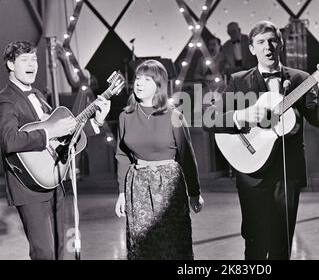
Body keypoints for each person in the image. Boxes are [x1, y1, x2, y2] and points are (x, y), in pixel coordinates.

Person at [205, 21, 319, 259]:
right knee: (254, 241)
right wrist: (241, 115)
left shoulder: (300, 79)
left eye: (272, 41)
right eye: (261, 42)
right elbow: (209, 120)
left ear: (281, 44)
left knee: (281, 243)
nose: (268, 47)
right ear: (251, 49)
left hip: (287, 173)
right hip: (251, 171)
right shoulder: (238, 80)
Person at [0, 40, 111, 260]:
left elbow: (64, 135)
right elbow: (9, 141)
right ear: (11, 65)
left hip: (54, 181)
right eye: (25, 59)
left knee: (61, 249)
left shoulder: (39, 96)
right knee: (44, 252)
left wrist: (95, 123)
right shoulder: (6, 100)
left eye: (34, 59)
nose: (32, 64)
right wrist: (49, 133)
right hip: (29, 188)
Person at [114, 59, 204, 260]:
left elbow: (187, 156)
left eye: (147, 79)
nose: (139, 83)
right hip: (137, 187)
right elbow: (122, 156)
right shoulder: (125, 116)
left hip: (169, 185)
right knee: (142, 244)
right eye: (138, 78)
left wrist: (195, 192)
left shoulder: (174, 115)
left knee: (172, 243)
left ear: (159, 85)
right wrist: (121, 193)